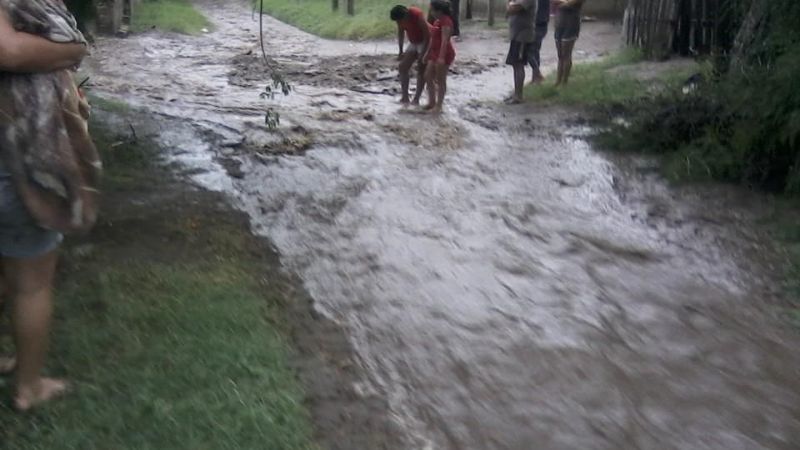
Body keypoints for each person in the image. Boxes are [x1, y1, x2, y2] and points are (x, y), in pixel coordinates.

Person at [0, 2, 89, 411]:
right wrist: (73, 51)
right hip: (13, 158)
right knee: (32, 278)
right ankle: (29, 387)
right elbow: (10, 51)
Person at [391, 5, 432, 105]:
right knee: (402, 67)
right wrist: (400, 51)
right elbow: (401, 33)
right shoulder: (400, 20)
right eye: (398, 21)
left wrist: (423, 54)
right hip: (414, 42)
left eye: (401, 20)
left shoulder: (416, 14)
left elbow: (428, 35)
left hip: (425, 41)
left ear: (406, 14)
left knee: (421, 68)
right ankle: (405, 97)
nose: (400, 23)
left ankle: (416, 99)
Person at [423, 0, 456, 113]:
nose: (431, 12)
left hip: (444, 53)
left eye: (432, 9)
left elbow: (444, 41)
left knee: (440, 80)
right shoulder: (438, 21)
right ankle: (432, 101)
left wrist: (441, 58)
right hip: (435, 52)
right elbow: (433, 38)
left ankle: (439, 105)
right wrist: (427, 53)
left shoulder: (446, 21)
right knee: (428, 76)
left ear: (439, 10)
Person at [505, 0, 537, 104]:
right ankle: (516, 93)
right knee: (515, 64)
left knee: (519, 64)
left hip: (523, 36)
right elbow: (509, 8)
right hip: (516, 35)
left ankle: (519, 96)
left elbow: (513, 8)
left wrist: (511, 5)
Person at [554, 0, 585, 86]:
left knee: (566, 53)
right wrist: (565, 2)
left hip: (571, 22)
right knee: (560, 54)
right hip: (559, 22)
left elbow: (573, 2)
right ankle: (558, 81)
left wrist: (564, 3)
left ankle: (564, 82)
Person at [527, 0, 551, 84]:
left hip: (537, 24)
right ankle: (535, 78)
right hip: (541, 24)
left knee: (528, 51)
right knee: (535, 51)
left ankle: (537, 73)